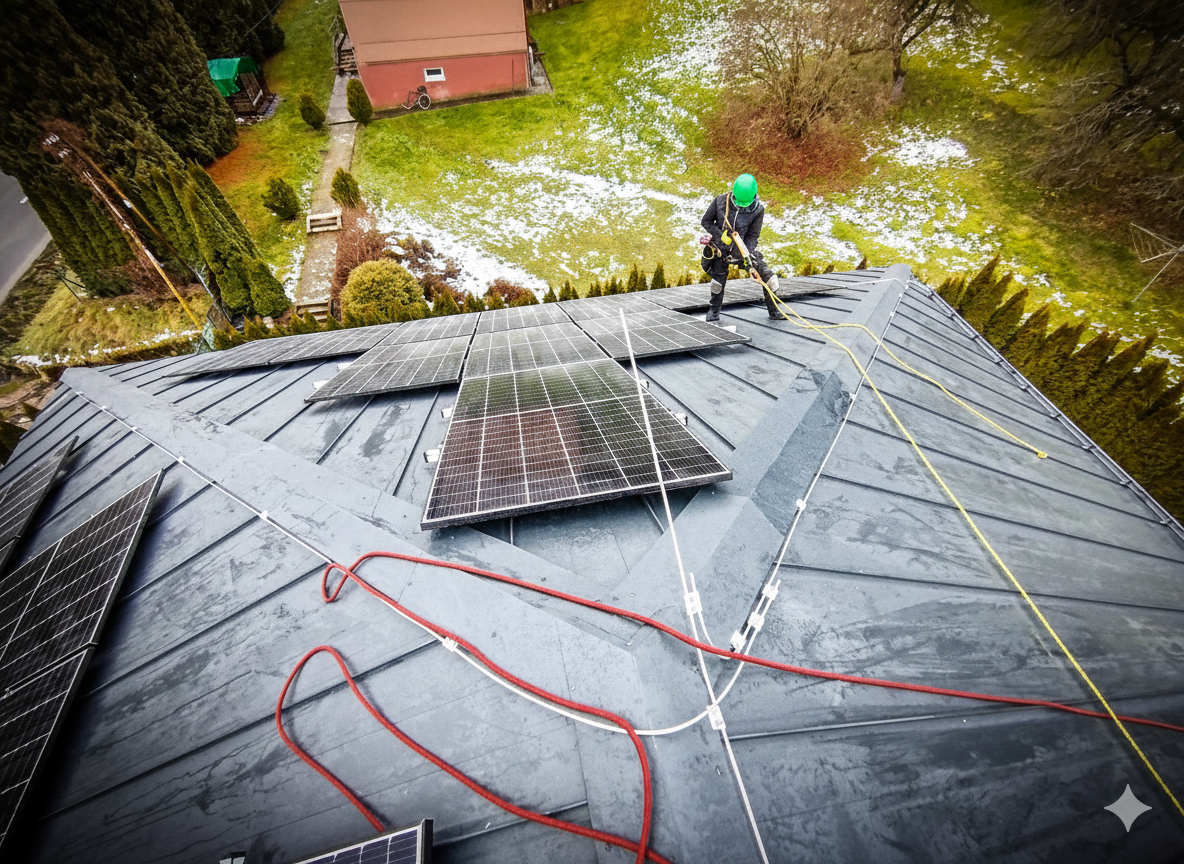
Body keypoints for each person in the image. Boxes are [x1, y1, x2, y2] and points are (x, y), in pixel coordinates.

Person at [699, 173, 783, 322]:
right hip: (720, 250)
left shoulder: (758, 210)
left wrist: (746, 253)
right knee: (717, 283)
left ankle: (774, 311)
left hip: (743, 251)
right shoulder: (720, 202)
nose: (740, 206)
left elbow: (753, 235)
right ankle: (714, 311)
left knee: (771, 280)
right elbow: (706, 221)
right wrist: (720, 236)